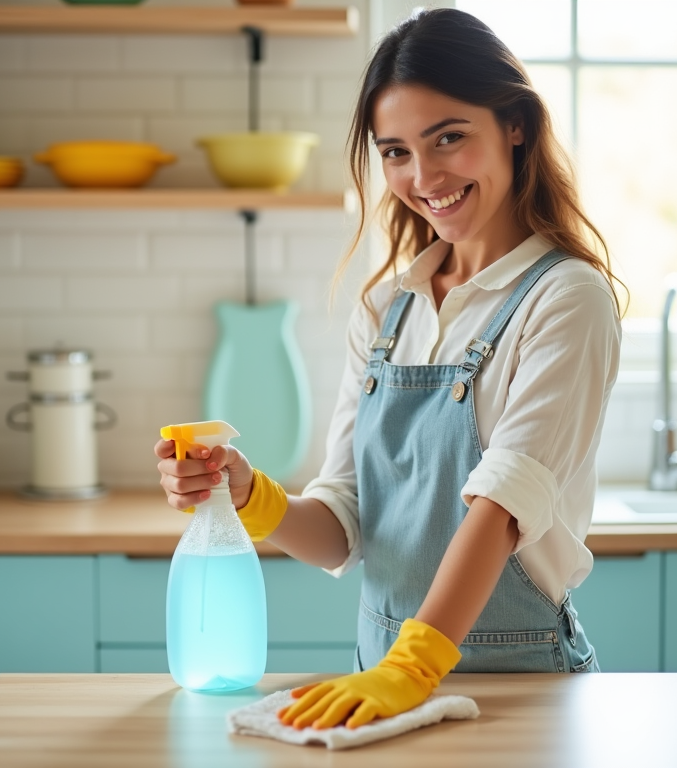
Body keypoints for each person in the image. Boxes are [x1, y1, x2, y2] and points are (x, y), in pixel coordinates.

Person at [155, 7, 623, 732]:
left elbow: (502, 507)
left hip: (519, 692)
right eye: (396, 151)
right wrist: (245, 489)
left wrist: (411, 670)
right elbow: (339, 528)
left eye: (449, 139)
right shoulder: (387, 309)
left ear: (516, 125)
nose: (423, 175)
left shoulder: (567, 299)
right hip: (381, 691)